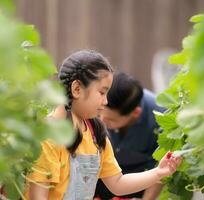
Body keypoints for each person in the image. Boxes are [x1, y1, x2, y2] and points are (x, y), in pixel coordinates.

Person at [24, 50, 181, 200]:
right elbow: (38, 197)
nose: (105, 101)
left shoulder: (95, 134)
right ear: (77, 89)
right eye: (102, 92)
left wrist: (159, 172)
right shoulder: (48, 136)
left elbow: (117, 183)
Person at [95, 72, 166, 200]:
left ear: (135, 113)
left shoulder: (161, 119)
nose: (101, 122)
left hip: (138, 184)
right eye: (100, 114)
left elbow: (159, 171)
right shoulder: (94, 103)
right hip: (100, 180)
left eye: (111, 120)